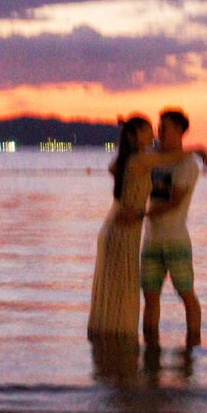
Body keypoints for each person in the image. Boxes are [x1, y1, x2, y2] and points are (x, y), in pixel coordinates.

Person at [141, 107, 204, 348]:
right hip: (151, 239)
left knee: (186, 294)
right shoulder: (155, 157)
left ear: (179, 131)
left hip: (175, 239)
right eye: (159, 127)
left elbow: (174, 200)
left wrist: (142, 213)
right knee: (150, 296)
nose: (160, 132)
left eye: (164, 128)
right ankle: (150, 347)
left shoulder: (187, 165)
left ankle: (193, 345)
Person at [88, 116, 153, 342]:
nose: (153, 135)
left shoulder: (126, 160)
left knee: (114, 290)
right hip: (122, 231)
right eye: (148, 131)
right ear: (134, 136)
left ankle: (108, 348)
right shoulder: (139, 160)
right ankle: (119, 347)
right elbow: (172, 157)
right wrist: (197, 150)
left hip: (113, 228)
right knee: (121, 291)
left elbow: (112, 167)